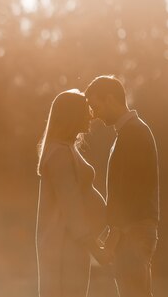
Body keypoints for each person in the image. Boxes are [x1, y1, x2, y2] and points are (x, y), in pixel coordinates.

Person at [85, 75, 159, 297]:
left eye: (94, 105)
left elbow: (131, 192)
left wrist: (113, 238)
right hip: (132, 231)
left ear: (109, 99)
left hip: (133, 232)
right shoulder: (128, 132)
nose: (93, 114)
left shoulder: (134, 133)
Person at [36, 89, 109, 297]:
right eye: (85, 110)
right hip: (64, 247)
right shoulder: (59, 152)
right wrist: (96, 249)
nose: (91, 115)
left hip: (73, 244)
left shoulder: (67, 148)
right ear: (72, 115)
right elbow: (71, 206)